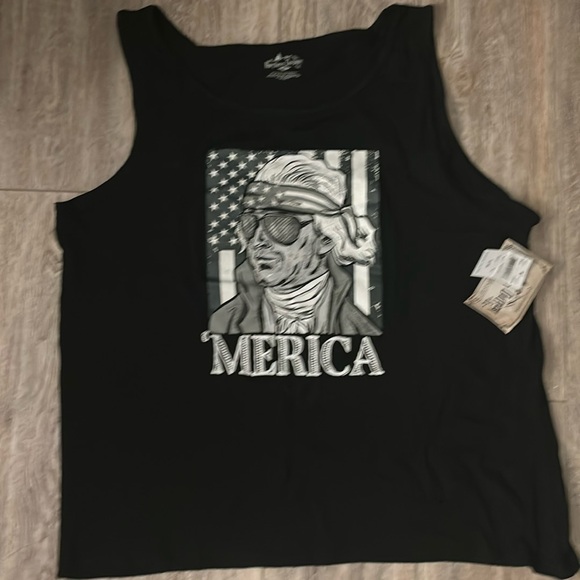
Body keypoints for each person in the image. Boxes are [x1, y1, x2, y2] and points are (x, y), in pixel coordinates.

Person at [209, 153, 381, 335]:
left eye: (280, 226)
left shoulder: (361, 331)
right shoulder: (222, 324)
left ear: (326, 239)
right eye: (249, 224)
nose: (258, 240)